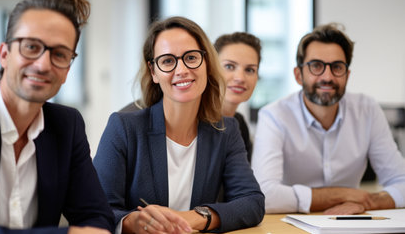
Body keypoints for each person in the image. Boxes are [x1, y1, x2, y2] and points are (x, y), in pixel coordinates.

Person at [0, 0, 114, 233]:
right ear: (4, 54)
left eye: (59, 54)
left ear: (68, 69)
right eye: (31, 47)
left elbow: (96, 216)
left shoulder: (67, 125)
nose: (42, 65)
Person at [93, 16, 265, 234]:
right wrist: (132, 222)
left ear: (207, 64)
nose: (182, 70)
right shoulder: (124, 128)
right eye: (167, 61)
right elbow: (97, 210)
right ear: (154, 72)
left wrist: (194, 218)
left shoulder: (226, 131)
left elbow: (252, 202)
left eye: (191, 58)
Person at [251, 23, 405, 215]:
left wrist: (367, 202)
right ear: (298, 75)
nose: (327, 76)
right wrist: (342, 195)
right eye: (316, 66)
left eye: (337, 67)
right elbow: (262, 195)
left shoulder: (368, 110)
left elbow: (402, 182)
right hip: (290, 225)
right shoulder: (274, 116)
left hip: (350, 220)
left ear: (347, 75)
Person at [214, 32, 261, 162]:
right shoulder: (194, 123)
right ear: (211, 69)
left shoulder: (239, 125)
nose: (240, 78)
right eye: (229, 66)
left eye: (250, 70)